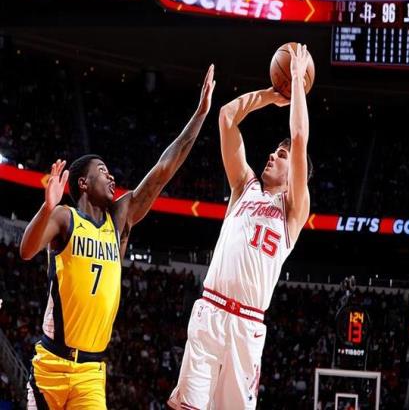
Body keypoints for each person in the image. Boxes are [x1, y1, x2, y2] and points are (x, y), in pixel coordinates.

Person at [19, 65, 216, 409]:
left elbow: (163, 170)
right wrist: (46, 208)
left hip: (91, 372)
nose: (111, 178)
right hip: (51, 363)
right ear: (83, 183)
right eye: (103, 172)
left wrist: (199, 116)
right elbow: (26, 250)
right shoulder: (65, 217)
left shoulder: (119, 219)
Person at [168, 45, 312, 409]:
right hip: (210, 311)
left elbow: (299, 139)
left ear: (294, 173)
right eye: (274, 151)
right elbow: (227, 116)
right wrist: (270, 95)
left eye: (281, 156)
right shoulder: (243, 187)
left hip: (247, 327)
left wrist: (296, 79)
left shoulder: (293, 210)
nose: (272, 155)